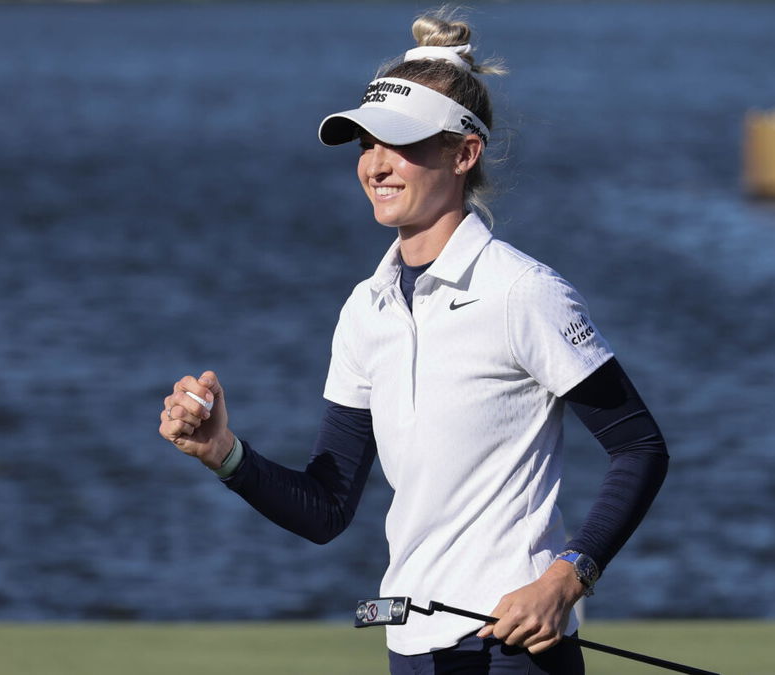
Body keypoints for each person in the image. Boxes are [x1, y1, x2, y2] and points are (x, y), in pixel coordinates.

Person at [159, 9, 669, 674]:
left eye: (399, 143)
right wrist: (224, 454)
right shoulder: (365, 309)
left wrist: (567, 578)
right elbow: (326, 506)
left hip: (516, 647)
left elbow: (639, 447)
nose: (375, 163)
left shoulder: (522, 292)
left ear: (463, 153)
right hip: (409, 649)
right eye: (365, 144)